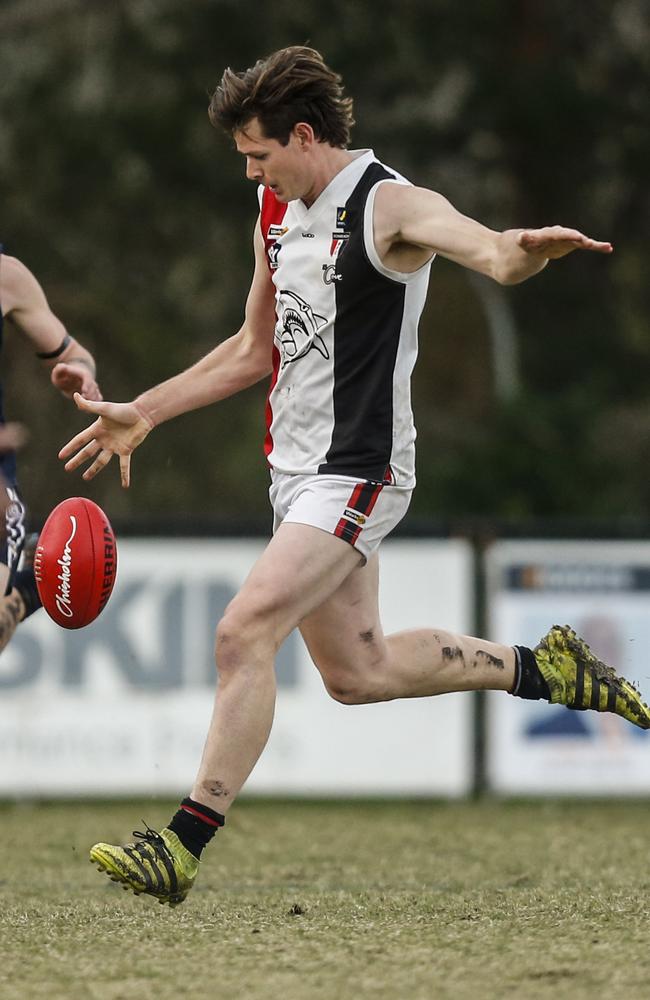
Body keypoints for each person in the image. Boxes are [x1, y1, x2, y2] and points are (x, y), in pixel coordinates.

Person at [59, 46, 649, 907]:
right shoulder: (272, 209)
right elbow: (252, 349)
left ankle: (180, 846)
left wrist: (525, 251)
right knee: (357, 673)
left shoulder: (390, 205)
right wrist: (144, 411)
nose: (252, 170)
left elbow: (485, 250)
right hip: (295, 476)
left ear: (305, 135)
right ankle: (544, 667)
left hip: (359, 470)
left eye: (259, 153)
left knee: (240, 634)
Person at [0, 248, 101, 650]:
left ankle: (32, 579)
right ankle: (32, 578)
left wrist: (81, 373)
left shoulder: (8, 276)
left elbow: (75, 354)